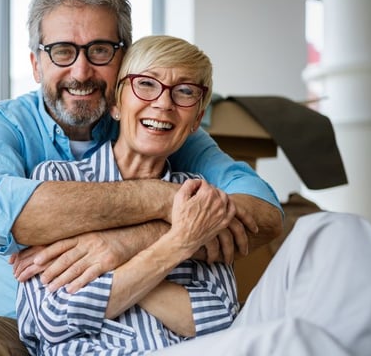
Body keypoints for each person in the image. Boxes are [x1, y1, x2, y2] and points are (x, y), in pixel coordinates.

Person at [0, 0, 283, 355]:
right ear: (37, 64)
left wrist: (125, 244)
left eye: (100, 50)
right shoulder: (5, 125)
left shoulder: (159, 126)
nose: (81, 71)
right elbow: (0, 217)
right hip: (26, 330)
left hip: (166, 337)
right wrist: (165, 205)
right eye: (62, 51)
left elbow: (262, 212)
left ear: (123, 60)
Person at [17, 35, 240, 355]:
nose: (164, 103)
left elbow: (220, 320)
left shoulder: (200, 197)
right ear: (116, 104)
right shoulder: (57, 180)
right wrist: (180, 243)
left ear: (196, 120)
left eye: (185, 92)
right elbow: (57, 318)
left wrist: (118, 260)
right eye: (146, 84)